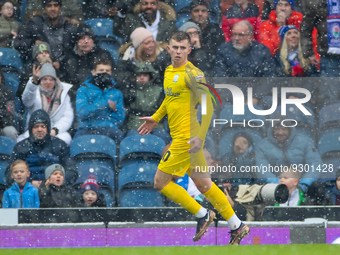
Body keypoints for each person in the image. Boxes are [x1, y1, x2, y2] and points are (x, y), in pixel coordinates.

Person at [138, 31, 249, 245]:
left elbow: (208, 106)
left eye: (182, 48)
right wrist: (155, 117)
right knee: (205, 185)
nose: (178, 51)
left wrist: (199, 137)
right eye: (175, 47)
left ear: (189, 50)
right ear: (168, 48)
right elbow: (169, 100)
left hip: (186, 138)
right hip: (183, 138)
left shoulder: (194, 74)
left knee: (160, 182)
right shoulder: (169, 70)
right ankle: (237, 225)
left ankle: (202, 214)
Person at [6, 109, 78, 188]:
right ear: (30, 129)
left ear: (48, 128)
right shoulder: (21, 147)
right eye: (36, 126)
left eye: (43, 126)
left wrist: (54, 182)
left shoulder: (60, 145)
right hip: (27, 191)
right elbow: (9, 174)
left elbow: (72, 171)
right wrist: (29, 183)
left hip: (54, 190)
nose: (39, 129)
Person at [215, 20, 277, 107]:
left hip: (257, 96)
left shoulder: (262, 51)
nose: (236, 38)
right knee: (219, 103)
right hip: (231, 98)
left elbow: (270, 78)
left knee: (269, 101)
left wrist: (255, 97)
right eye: (234, 34)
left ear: (250, 37)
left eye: (241, 35)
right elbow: (220, 79)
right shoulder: (223, 51)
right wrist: (237, 100)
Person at [255, 117, 322, 192]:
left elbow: (315, 164)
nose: (280, 132)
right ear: (272, 130)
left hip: (303, 186)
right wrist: (279, 184)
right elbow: (262, 170)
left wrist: (304, 183)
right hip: (275, 188)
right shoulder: (262, 146)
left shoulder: (305, 141)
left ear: (290, 130)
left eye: (284, 129)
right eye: (277, 129)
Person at [18, 62, 73, 145]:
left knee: (65, 139)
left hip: (55, 131)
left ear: (55, 80)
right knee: (21, 142)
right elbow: (27, 101)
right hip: (35, 129)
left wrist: (55, 130)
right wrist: (34, 82)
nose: (48, 82)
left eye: (51, 79)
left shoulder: (63, 94)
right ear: (40, 80)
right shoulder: (34, 90)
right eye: (45, 79)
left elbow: (67, 116)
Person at [60, 24, 115, 102]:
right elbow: (64, 84)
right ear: (76, 42)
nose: (86, 41)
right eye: (82, 38)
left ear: (93, 40)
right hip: (76, 99)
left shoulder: (103, 55)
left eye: (89, 38)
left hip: (102, 97)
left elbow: (113, 77)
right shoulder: (68, 59)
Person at [75, 58, 125, 144]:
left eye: (107, 71)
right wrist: (104, 104)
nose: (104, 73)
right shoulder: (83, 90)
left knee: (121, 140)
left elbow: (119, 118)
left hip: (110, 129)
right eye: (101, 70)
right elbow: (82, 113)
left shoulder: (117, 93)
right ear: (93, 72)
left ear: (111, 73)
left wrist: (104, 121)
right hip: (87, 128)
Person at [14, 0, 75, 69]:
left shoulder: (67, 26)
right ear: (44, 9)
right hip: (38, 69)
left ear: (60, 8)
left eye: (56, 5)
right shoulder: (35, 24)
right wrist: (33, 42)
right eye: (49, 6)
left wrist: (60, 62)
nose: (53, 9)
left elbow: (71, 51)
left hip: (63, 69)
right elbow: (17, 43)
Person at [300, 0, 340, 106]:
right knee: (330, 98)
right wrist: (308, 52)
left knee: (330, 96)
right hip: (329, 57)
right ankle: (333, 122)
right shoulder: (317, 3)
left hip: (329, 57)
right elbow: (305, 27)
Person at [123, 62, 170, 143]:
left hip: (156, 124)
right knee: (132, 139)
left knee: (164, 138)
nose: (142, 77)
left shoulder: (159, 90)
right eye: (139, 75)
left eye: (145, 75)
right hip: (136, 124)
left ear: (150, 76)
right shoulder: (130, 90)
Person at [111, 0, 177, 44]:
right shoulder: (132, 20)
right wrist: (121, 14)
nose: (149, 6)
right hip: (136, 59)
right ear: (140, 5)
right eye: (145, 3)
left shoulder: (168, 23)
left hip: (161, 61)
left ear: (158, 6)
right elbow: (118, 32)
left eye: (152, 3)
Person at [0, 68, 17, 142]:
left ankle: (12, 153)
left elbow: (10, 115)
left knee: (11, 132)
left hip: (3, 125)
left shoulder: (8, 93)